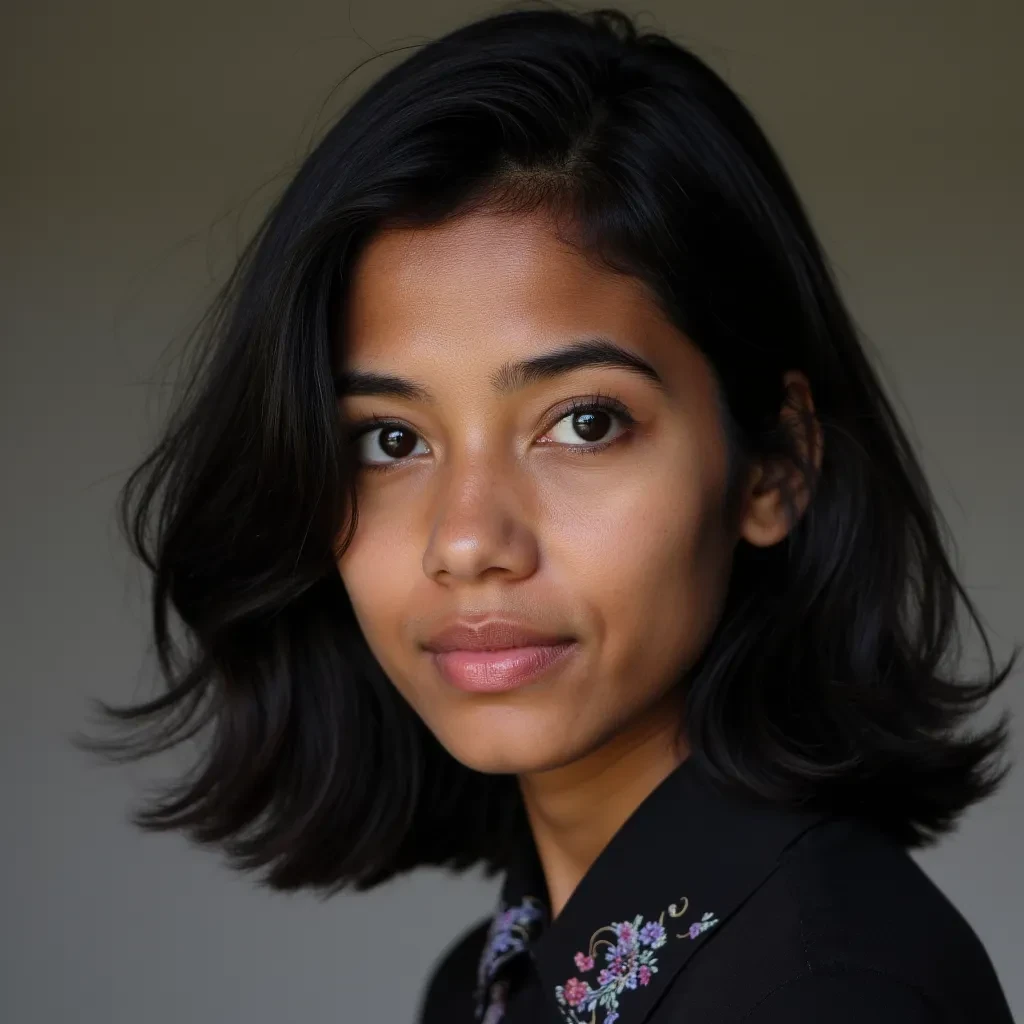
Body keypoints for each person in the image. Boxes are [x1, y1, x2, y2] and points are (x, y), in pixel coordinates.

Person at [77, 6, 1018, 1023]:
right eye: (390, 440)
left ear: (774, 466)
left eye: (582, 422)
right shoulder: (487, 983)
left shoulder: (829, 991)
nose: (468, 540)